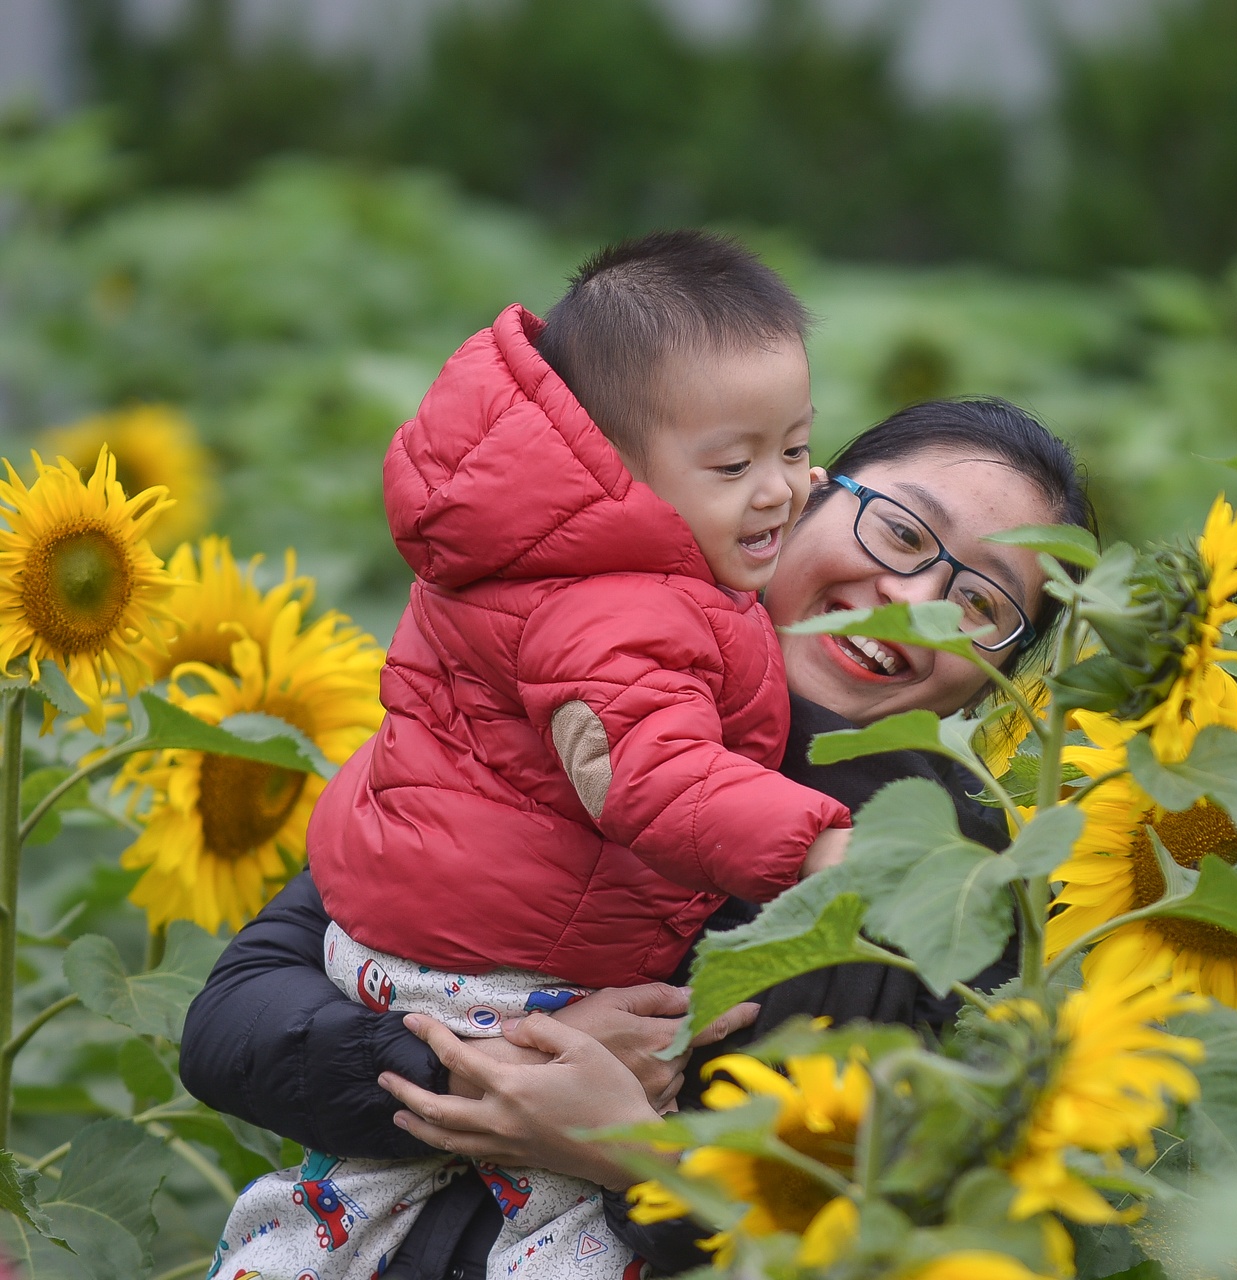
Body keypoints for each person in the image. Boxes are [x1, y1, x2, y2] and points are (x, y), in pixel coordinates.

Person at [181, 398, 1097, 1280]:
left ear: (999, 678)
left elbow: (891, 1228)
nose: (912, 596)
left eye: (981, 604)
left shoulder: (960, 889)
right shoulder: (569, 682)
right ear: (802, 499)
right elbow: (233, 1022)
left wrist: (634, 1154)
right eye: (900, 532)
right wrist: (491, 1068)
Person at [210, 230, 879, 1280]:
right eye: (734, 465)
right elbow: (652, 774)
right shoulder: (619, 609)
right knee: (568, 1221)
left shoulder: (549, 553)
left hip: (409, 932)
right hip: (496, 976)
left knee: (357, 1198)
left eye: (797, 451)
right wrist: (820, 847)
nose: (781, 491)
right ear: (612, 465)